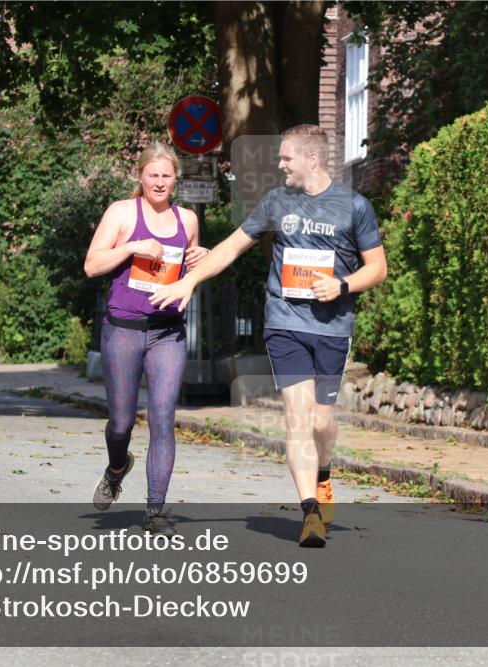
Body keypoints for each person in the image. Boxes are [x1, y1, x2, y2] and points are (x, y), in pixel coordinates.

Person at [152, 124, 387, 547]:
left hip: (333, 327)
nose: (279, 165)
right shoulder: (277, 201)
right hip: (285, 324)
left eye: (286, 158)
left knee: (322, 421)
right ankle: (310, 512)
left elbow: (378, 268)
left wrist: (342, 286)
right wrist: (189, 281)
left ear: (311, 159)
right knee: (298, 418)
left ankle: (324, 473)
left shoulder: (355, 206)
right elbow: (229, 247)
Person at [83, 141, 208, 536]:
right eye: (152, 175)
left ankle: (155, 510)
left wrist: (199, 260)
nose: (159, 182)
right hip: (123, 329)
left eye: (166, 175)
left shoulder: (186, 220)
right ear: (141, 176)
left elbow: (187, 273)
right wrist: (132, 246)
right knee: (120, 422)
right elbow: (91, 265)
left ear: (175, 179)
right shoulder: (122, 213)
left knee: (163, 417)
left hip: (167, 332)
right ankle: (117, 467)